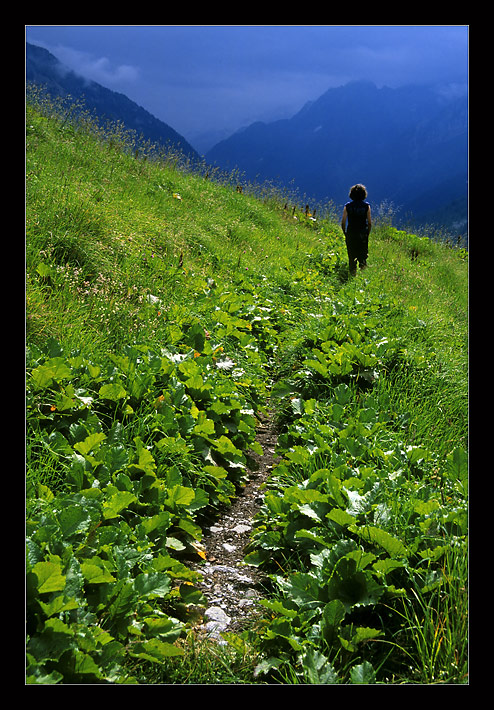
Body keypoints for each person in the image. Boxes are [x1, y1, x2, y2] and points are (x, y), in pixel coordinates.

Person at [341, 184, 372, 276]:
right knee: (363, 256)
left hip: (351, 233)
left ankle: (352, 274)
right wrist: (367, 233)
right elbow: (369, 223)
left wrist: (345, 233)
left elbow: (343, 222)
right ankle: (363, 277)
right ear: (363, 194)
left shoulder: (347, 206)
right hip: (362, 233)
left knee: (352, 255)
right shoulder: (366, 206)